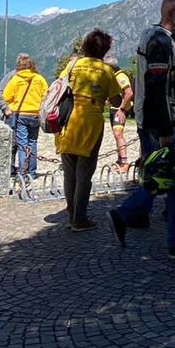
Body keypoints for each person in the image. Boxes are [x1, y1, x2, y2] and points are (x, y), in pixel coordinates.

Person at [108, 0, 175, 260]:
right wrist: (165, 131)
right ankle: (173, 239)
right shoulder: (160, 41)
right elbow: (156, 87)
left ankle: (136, 216)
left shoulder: (164, 40)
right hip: (167, 123)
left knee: (165, 173)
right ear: (173, 14)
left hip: (165, 121)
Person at [56, 29, 128, 231]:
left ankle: (71, 214)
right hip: (91, 124)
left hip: (68, 121)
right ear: (104, 50)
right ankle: (80, 218)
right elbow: (116, 100)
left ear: (85, 46)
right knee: (84, 173)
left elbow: (60, 87)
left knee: (69, 173)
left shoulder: (73, 65)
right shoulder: (106, 71)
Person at [1, 54, 48, 178]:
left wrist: (13, 106)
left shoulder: (16, 79)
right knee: (32, 142)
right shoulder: (39, 79)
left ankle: (23, 172)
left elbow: (6, 96)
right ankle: (32, 172)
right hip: (36, 115)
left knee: (22, 143)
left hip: (21, 114)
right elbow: (46, 95)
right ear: (32, 65)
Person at [105, 54, 135, 172]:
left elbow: (129, 92)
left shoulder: (120, 76)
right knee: (116, 134)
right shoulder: (113, 77)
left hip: (120, 110)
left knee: (118, 133)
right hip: (114, 109)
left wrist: (122, 109)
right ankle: (119, 159)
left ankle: (124, 162)